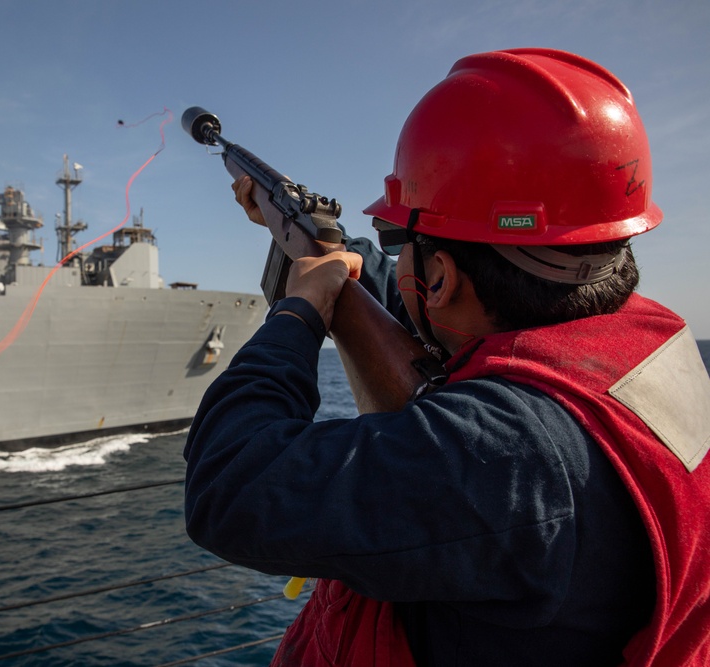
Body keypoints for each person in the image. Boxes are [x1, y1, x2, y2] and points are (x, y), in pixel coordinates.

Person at [183, 48, 710, 666]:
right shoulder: (641, 347)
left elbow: (228, 484)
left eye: (396, 238)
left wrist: (299, 308)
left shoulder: (499, 453)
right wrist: (334, 249)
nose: (392, 256)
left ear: (440, 277)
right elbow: (430, 297)